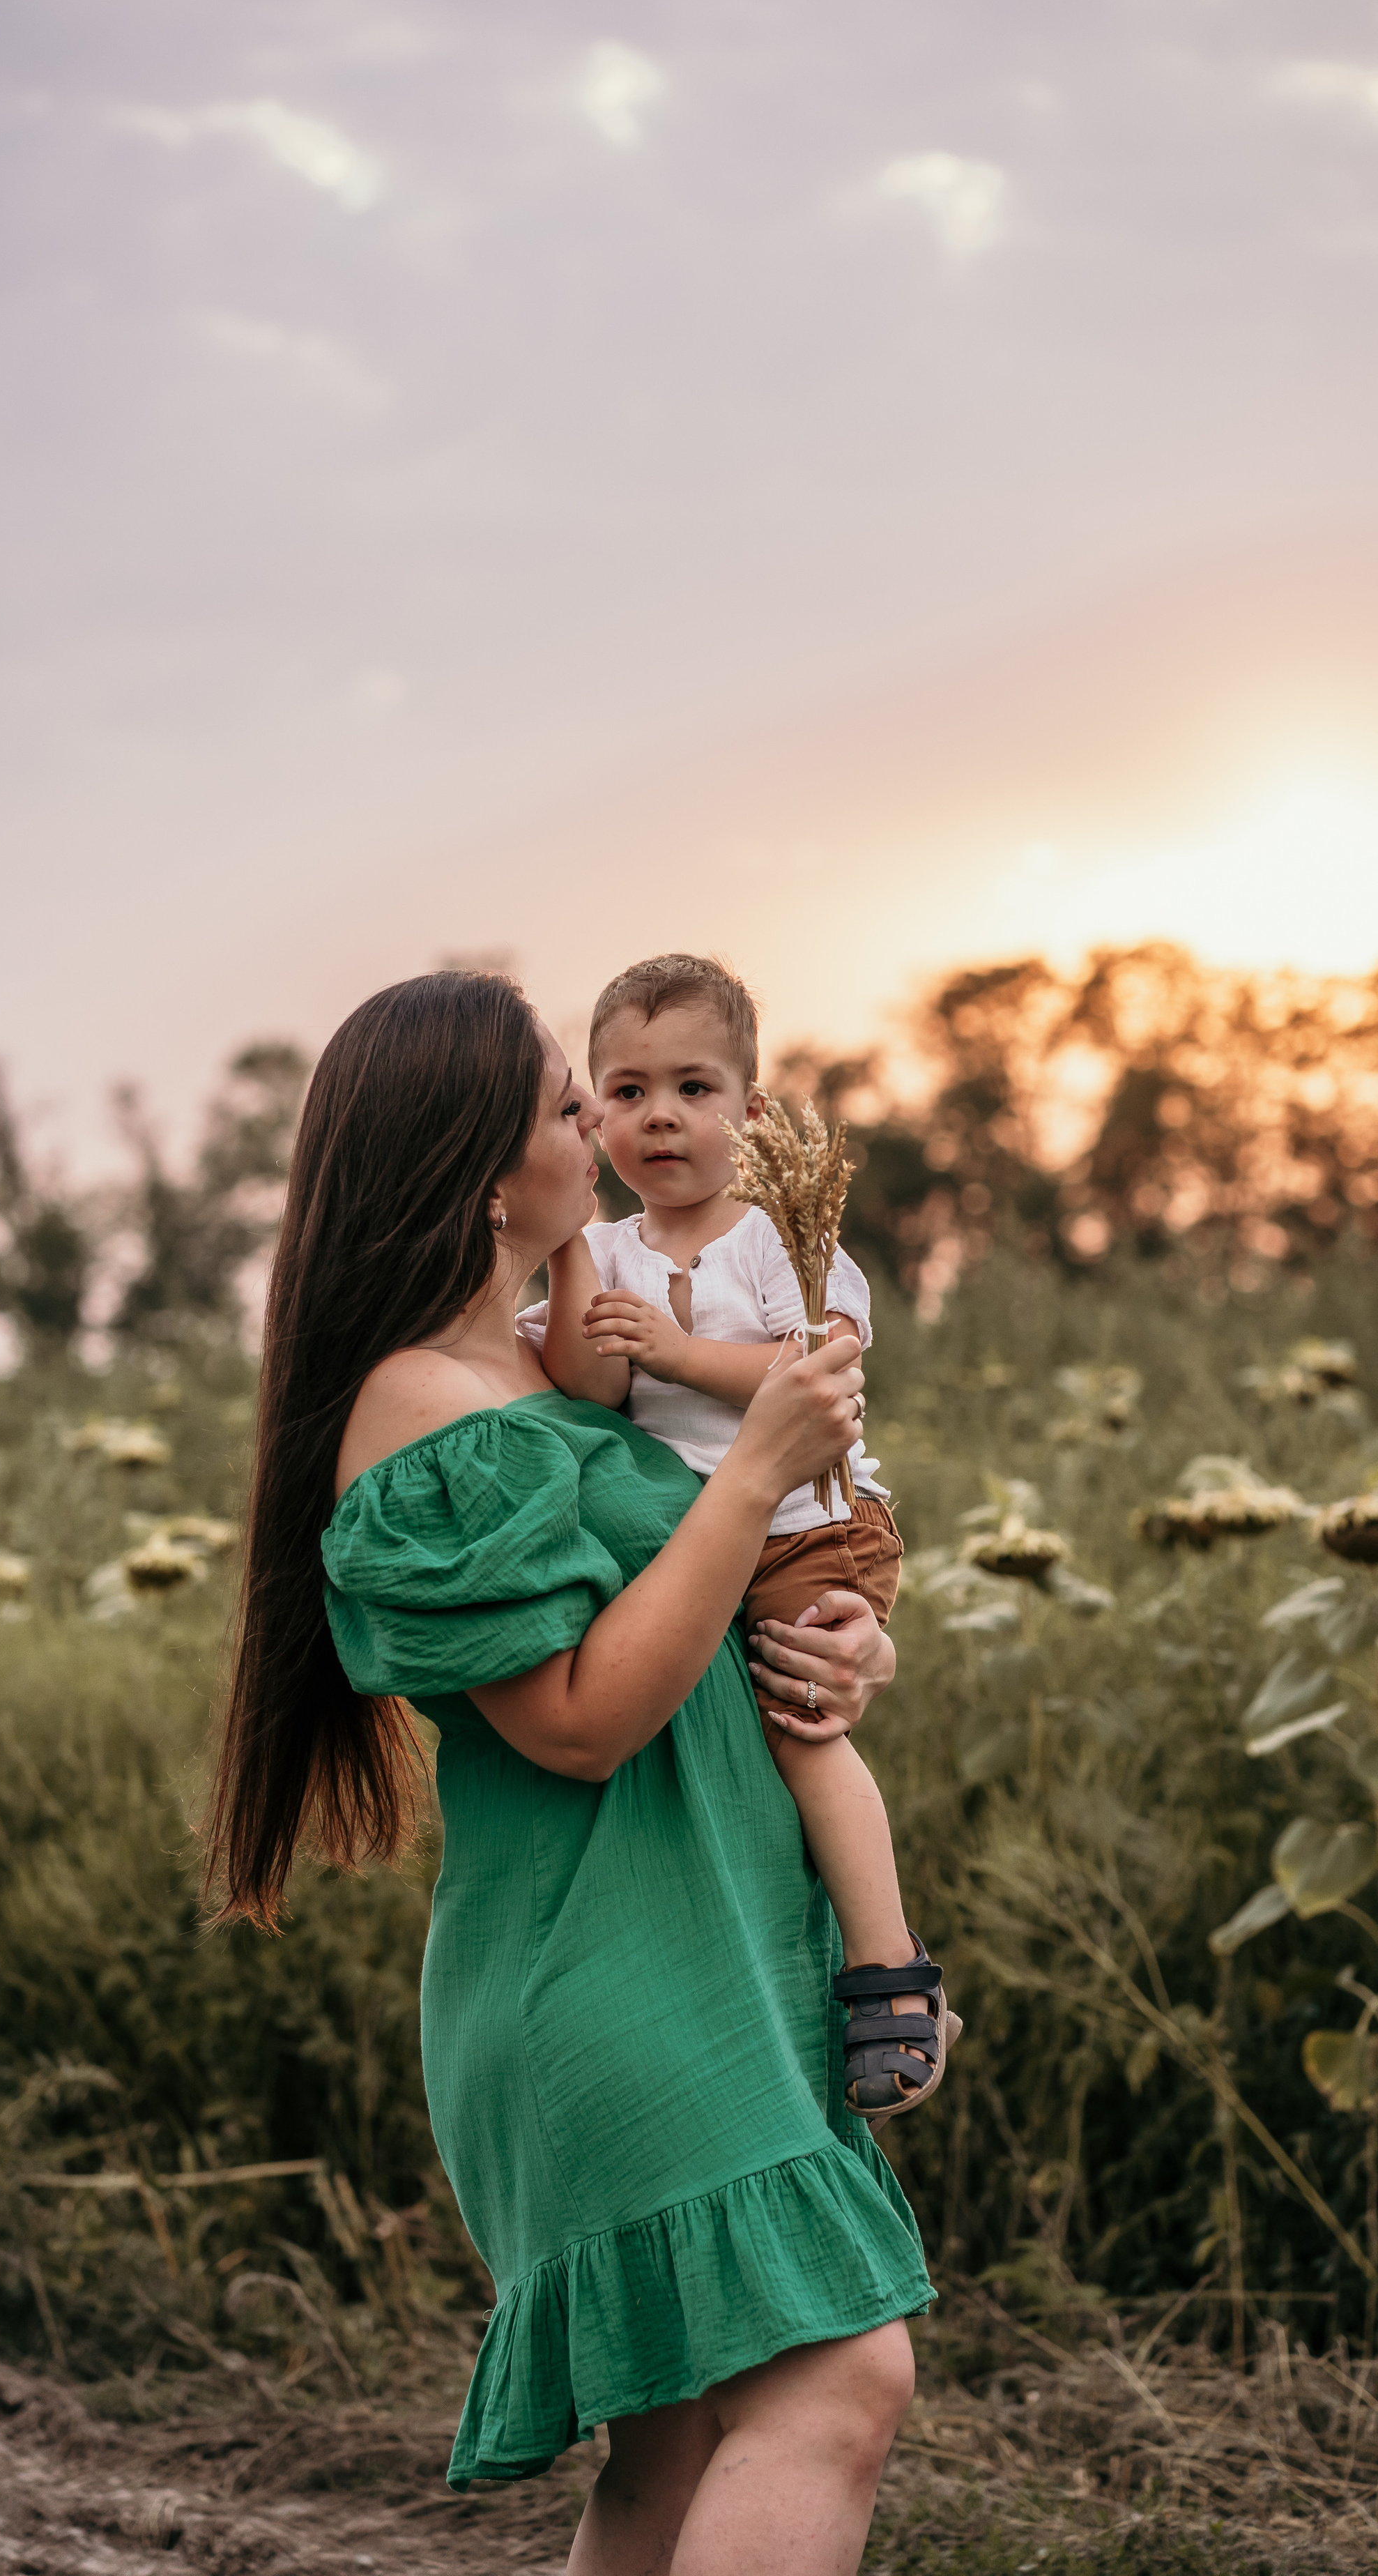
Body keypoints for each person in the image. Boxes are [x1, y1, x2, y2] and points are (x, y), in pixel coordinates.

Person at [204, 970, 933, 2576]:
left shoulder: (550, 1382)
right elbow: (577, 1720)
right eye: (563, 1103)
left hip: (705, 1944)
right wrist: (752, 1471)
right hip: (601, 1965)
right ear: (480, 1174)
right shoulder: (423, 1404)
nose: (600, 1127)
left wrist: (837, 1641)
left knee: (670, 2456)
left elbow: (690, 1631)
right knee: (836, 2383)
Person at [527, 954, 958, 2120]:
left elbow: (813, 1371)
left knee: (804, 1732)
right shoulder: (610, 1253)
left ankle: (889, 1972)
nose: (659, 1115)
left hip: (809, 1525)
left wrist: (671, 1351)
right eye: (623, 1092)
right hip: (697, 1545)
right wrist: (572, 1249)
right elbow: (585, 1382)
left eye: (694, 1088)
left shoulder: (781, 1238)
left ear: (753, 1114)